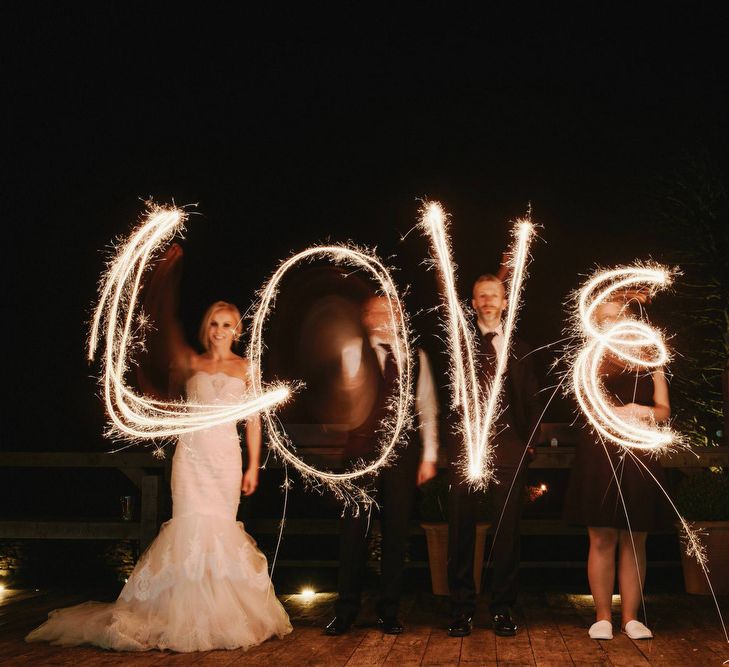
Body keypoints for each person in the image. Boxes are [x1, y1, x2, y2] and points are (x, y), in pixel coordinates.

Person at [27, 247, 292, 652]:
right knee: (187, 529)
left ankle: (218, 617)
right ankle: (179, 616)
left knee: (219, 532)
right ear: (207, 328)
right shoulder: (189, 364)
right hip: (192, 457)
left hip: (224, 459)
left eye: (227, 325)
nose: (220, 330)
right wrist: (164, 274)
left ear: (237, 329)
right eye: (215, 324)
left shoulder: (246, 369)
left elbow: (254, 421)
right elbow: (161, 387)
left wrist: (253, 466)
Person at [325, 295, 440, 636]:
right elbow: (335, 399)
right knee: (353, 534)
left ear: (400, 315)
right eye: (375, 311)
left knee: (396, 534)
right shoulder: (351, 352)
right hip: (359, 455)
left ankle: (389, 611)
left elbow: (427, 408)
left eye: (389, 311)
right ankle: (345, 610)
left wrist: (430, 455)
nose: (381, 317)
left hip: (402, 457)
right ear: (365, 316)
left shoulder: (415, 357)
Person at [564, 298, 671, 641]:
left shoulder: (650, 356)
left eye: (618, 315)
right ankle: (601, 618)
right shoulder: (591, 358)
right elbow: (584, 405)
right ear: (596, 322)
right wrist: (611, 415)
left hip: (639, 453)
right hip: (600, 454)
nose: (613, 321)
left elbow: (663, 411)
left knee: (635, 535)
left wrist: (642, 411)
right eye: (606, 317)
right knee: (601, 536)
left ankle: (630, 618)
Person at [447, 274, 541, 638]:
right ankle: (460, 610)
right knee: (460, 532)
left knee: (507, 534)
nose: (487, 300)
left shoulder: (520, 346)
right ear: (472, 304)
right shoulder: (457, 344)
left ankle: (502, 609)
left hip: (509, 449)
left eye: (494, 295)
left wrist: (528, 443)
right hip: (465, 449)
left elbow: (533, 398)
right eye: (481, 295)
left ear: (505, 303)